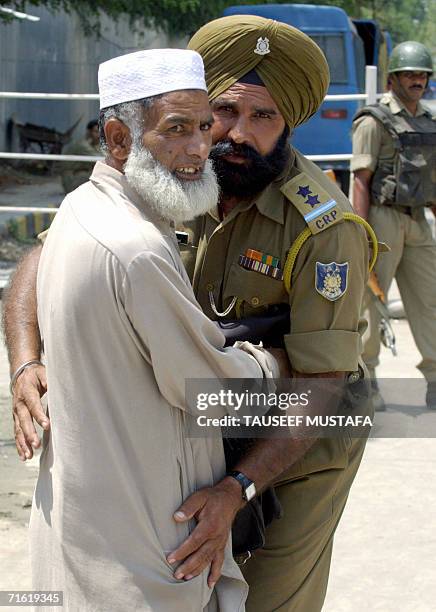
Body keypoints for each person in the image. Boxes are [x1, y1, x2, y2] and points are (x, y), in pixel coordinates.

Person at [5, 16, 373, 611]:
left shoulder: (325, 230)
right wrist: (25, 362)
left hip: (296, 449)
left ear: (289, 125)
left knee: (263, 602)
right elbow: (41, 257)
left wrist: (238, 488)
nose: (232, 134)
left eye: (263, 118)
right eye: (222, 112)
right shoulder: (174, 175)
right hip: (195, 433)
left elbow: (323, 385)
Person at [352, 41, 436, 410]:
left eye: (422, 75)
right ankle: (366, 382)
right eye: (410, 74)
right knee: (371, 302)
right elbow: (360, 181)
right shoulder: (374, 120)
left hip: (418, 220)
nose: (417, 80)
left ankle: (435, 380)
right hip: (382, 220)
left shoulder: (429, 122)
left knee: (430, 303)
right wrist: (360, 233)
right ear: (393, 79)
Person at [60, 119, 101, 193]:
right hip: (71, 178)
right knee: (100, 175)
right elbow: (99, 158)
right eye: (96, 132)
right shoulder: (82, 145)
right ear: (89, 132)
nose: (98, 135)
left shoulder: (91, 143)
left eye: (100, 132)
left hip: (78, 175)